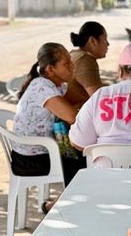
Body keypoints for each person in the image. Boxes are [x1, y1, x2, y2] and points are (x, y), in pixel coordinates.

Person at [11, 43, 85, 204]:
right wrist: (73, 107)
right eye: (67, 64)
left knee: (83, 155)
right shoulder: (43, 88)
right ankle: (58, 207)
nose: (73, 66)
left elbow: (83, 99)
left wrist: (70, 81)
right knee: (85, 160)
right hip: (30, 158)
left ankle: (62, 205)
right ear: (51, 69)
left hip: (38, 151)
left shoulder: (55, 85)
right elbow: (73, 117)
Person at [65, 21, 110, 109]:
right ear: (93, 40)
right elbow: (100, 100)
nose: (108, 44)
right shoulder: (85, 60)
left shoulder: (75, 54)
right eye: (105, 39)